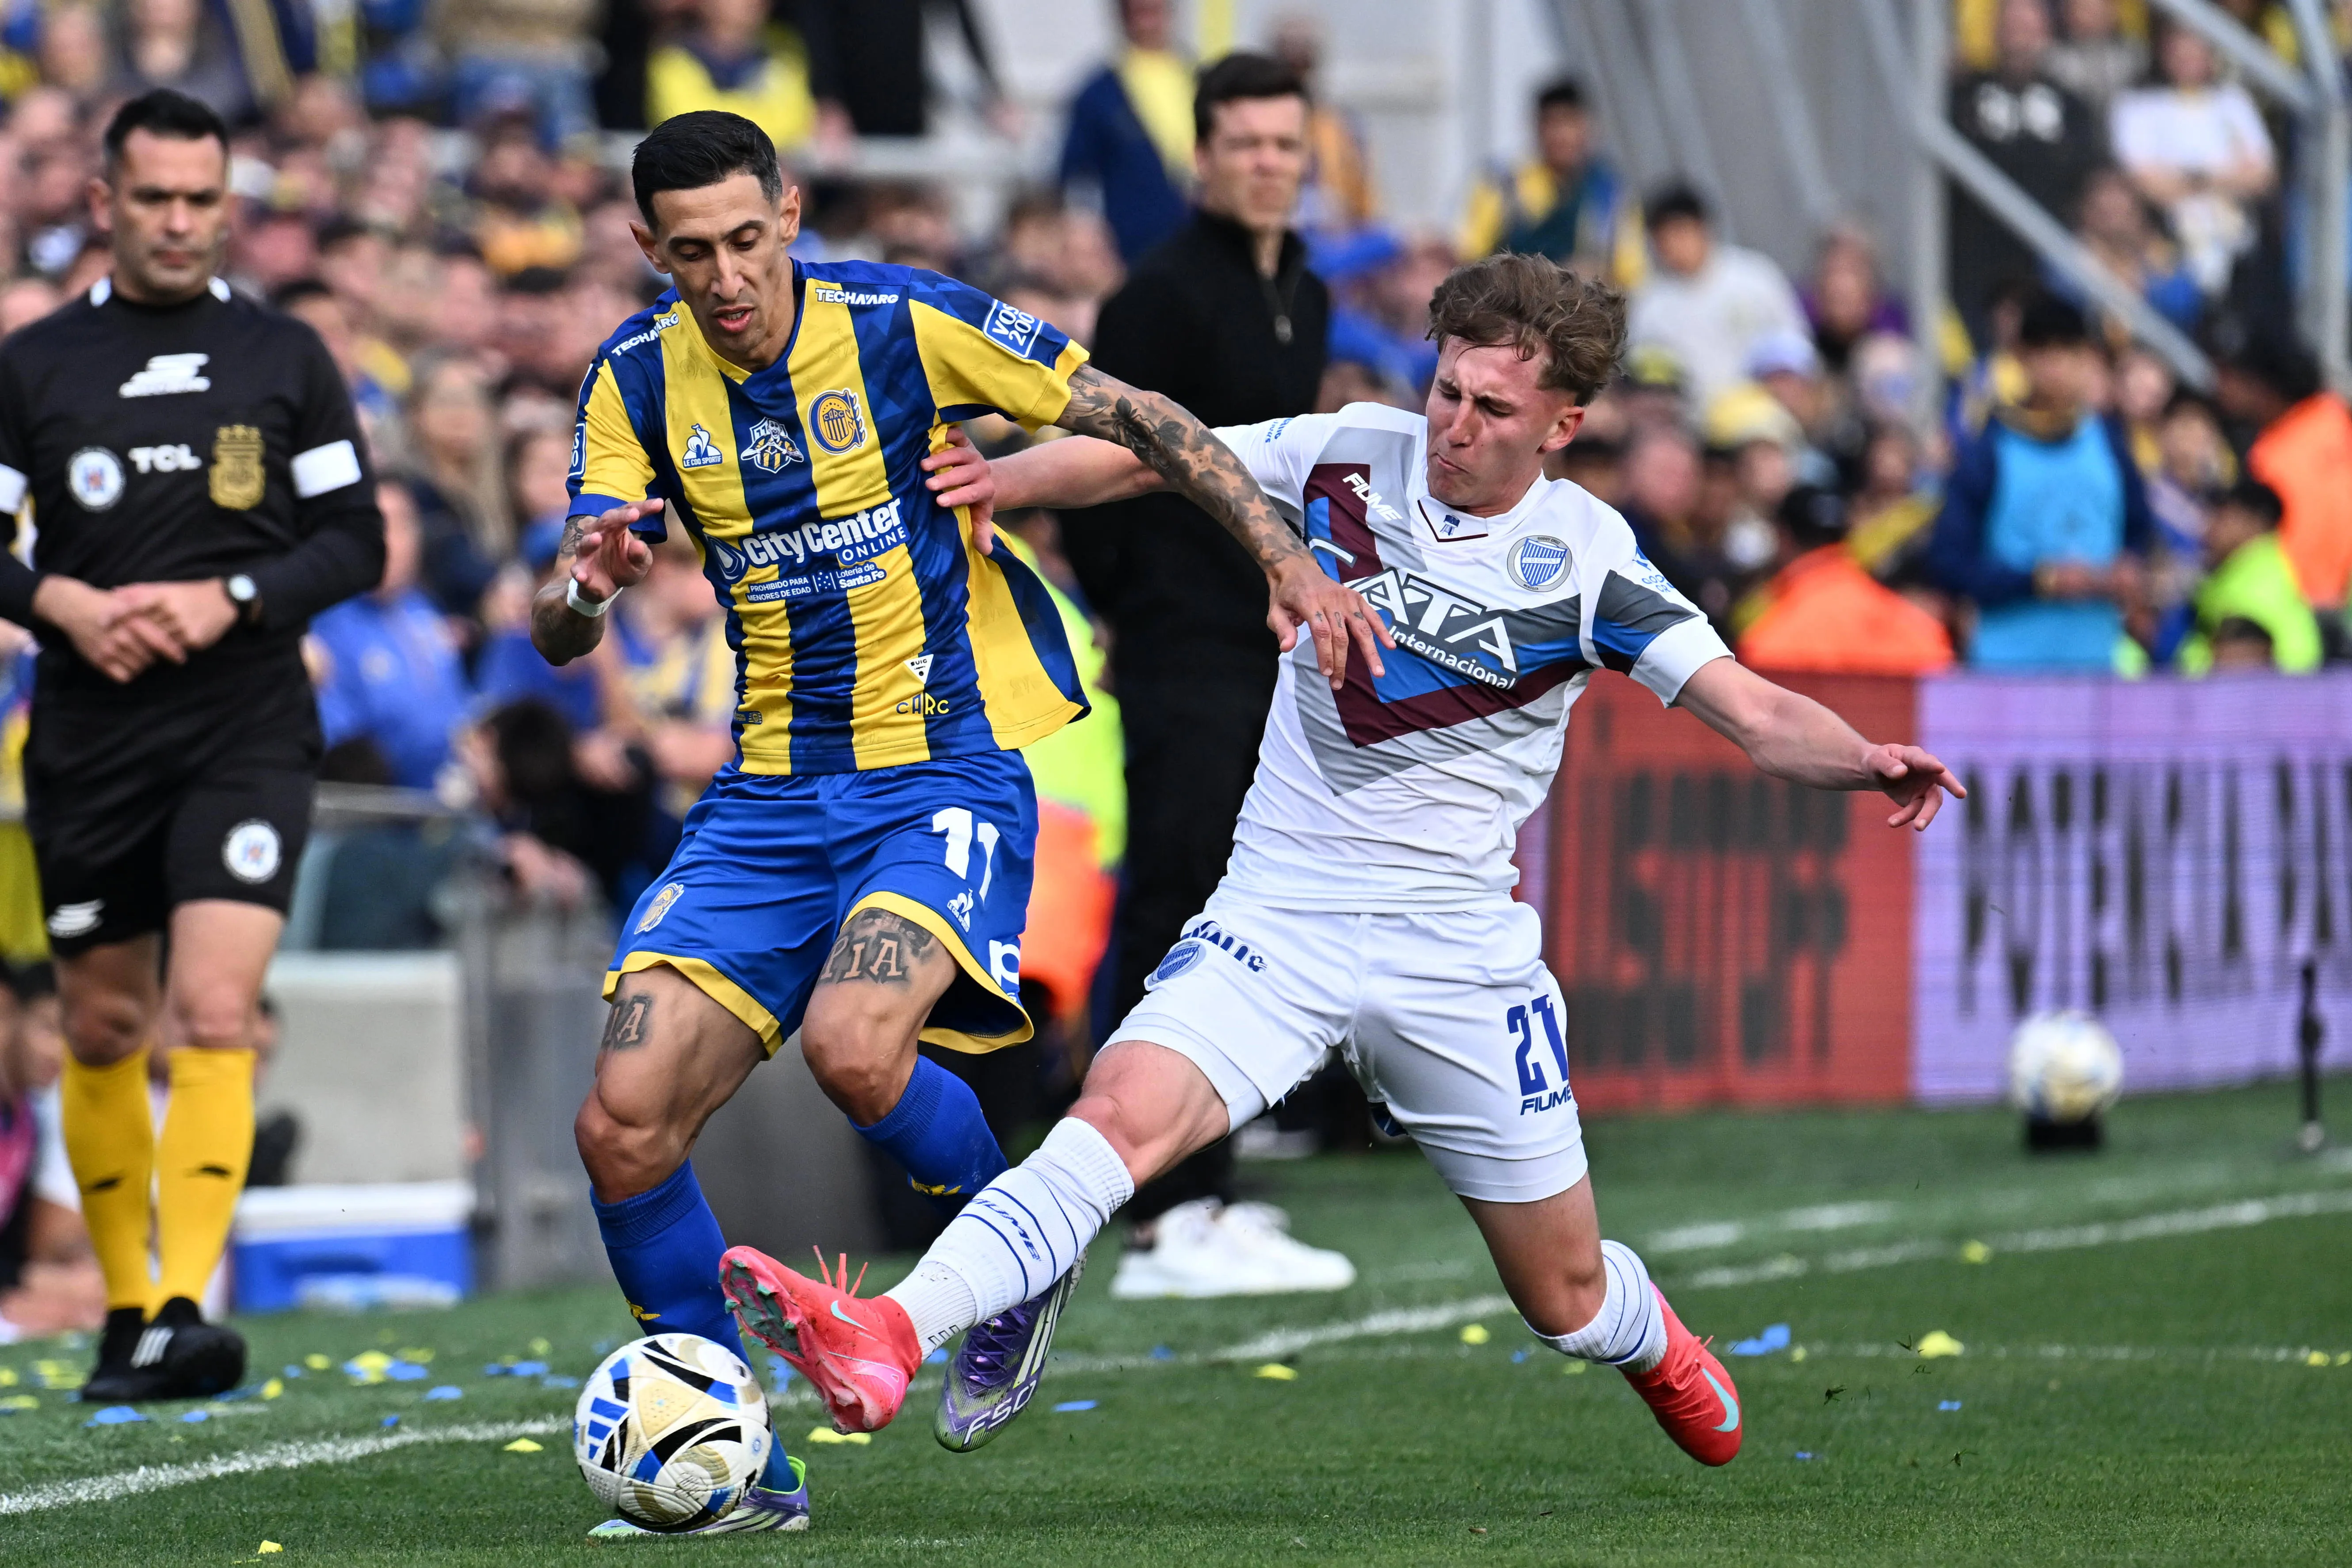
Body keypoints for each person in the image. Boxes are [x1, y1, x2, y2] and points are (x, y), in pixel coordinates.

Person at [716, 253, 1964, 1472]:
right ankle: (887, 1335)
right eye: (1447, 389)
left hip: (1457, 949)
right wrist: (1009, 476)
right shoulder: (1351, 448)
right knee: (1115, 1117)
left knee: (1565, 1297)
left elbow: (1754, 711)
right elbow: (1162, 454)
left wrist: (1866, 759)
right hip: (1284, 909)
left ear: (1564, 426)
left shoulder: (1593, 562)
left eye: (1492, 408)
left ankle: (1650, 1342)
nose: (1454, 424)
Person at [535, 111, 1381, 1533]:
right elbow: (563, 627)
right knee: (621, 1127)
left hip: (935, 773)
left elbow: (1148, 420)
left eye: (750, 239)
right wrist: (588, 582)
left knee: (859, 1052)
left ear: (791, 213)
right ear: (648, 251)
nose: (730, 276)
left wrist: (1285, 556)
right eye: (694, 253)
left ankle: (1017, 1248)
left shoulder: (902, 321)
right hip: (762, 803)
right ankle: (745, 1467)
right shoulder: (630, 380)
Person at [0, 90, 384, 1401]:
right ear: (105, 202)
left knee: (214, 1008)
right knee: (104, 1025)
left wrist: (229, 597)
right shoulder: (35, 363)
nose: (177, 221)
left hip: (244, 723)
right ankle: (124, 1316)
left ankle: (182, 1305)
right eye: (152, 197)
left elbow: (356, 545)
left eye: (199, 200)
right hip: (92, 734)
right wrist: (62, 603)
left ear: (230, 205)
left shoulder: (285, 358)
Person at [1057, 51, 1354, 1299]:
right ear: (1203, 156)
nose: (1268, 163)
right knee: (1173, 901)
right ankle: (1155, 1213)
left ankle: (1210, 1185)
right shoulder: (1157, 297)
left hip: (1265, 639)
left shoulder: (1313, 297)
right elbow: (1096, 472)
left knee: (1234, 919)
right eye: (1245, 143)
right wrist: (1138, 615)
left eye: (1286, 143)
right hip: (1182, 643)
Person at [1927, 292, 2153, 672]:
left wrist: (2130, 567)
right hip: (2006, 670)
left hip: (2098, 667)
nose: (2057, 367)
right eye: (2044, 353)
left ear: (2088, 359)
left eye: (2070, 352)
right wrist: (2041, 580)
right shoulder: (1990, 452)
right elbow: (1948, 561)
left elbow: (2139, 530)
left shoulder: (2111, 442)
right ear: (2020, 359)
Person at [1946, 0, 2102, 343]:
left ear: (2047, 34)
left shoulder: (2071, 104)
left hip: (2045, 257)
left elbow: (2089, 177)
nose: (2020, 38)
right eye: (2013, 27)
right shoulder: (1961, 96)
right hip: (1972, 256)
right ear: (1995, 33)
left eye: (2030, 28)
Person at [310, 480, 473, 791]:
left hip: (452, 805)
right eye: (377, 524)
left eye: (403, 525)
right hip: (380, 814)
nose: (391, 540)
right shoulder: (325, 624)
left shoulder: (422, 609)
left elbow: (461, 708)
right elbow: (348, 757)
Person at [2109, 20, 2274, 295]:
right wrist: (2227, 176)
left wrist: (2189, 178)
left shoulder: (2234, 102)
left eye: (2195, 48)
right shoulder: (2136, 105)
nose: (2187, 57)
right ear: (2163, 52)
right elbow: (2146, 184)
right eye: (2179, 48)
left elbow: (2262, 176)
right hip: (2167, 247)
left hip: (2240, 247)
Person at [1625, 183, 1806, 417]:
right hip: (1689, 425)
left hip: (1763, 417)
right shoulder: (1650, 305)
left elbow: (1795, 349)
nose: (1672, 245)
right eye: (1662, 238)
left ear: (1704, 228)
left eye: (1680, 232)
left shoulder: (1756, 278)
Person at [2214, 335, 2352, 613]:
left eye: (2233, 379)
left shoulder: (2272, 456)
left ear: (2262, 387)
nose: (2222, 390)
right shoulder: (2335, 418)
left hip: (2303, 604)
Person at [1455, 76, 1638, 282]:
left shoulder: (1609, 192)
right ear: (1536, 127)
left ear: (1588, 127)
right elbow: (1468, 259)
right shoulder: (1502, 183)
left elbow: (1630, 276)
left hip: (1580, 310)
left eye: (1571, 123)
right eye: (1553, 124)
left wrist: (1583, 278)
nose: (1563, 136)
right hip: (1511, 308)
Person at [1058, 0, 1193, 263]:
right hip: (1129, 243)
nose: (1148, 22)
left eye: (1155, 11)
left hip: (1193, 236)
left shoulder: (1196, 77)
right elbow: (1076, 173)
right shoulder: (1100, 90)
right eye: (1139, 13)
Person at [2176, 480, 2323, 676]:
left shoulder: (2251, 592)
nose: (2208, 530)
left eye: (2221, 517)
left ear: (2256, 522)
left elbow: (2227, 679)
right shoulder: (2249, 577)